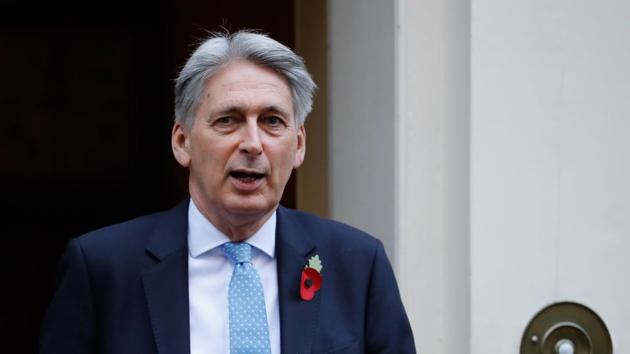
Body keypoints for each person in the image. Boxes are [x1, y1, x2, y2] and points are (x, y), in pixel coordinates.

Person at [40, 30, 415, 354]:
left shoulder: (357, 264)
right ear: (182, 141)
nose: (252, 143)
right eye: (228, 120)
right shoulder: (103, 268)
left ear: (298, 145)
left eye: (272, 121)